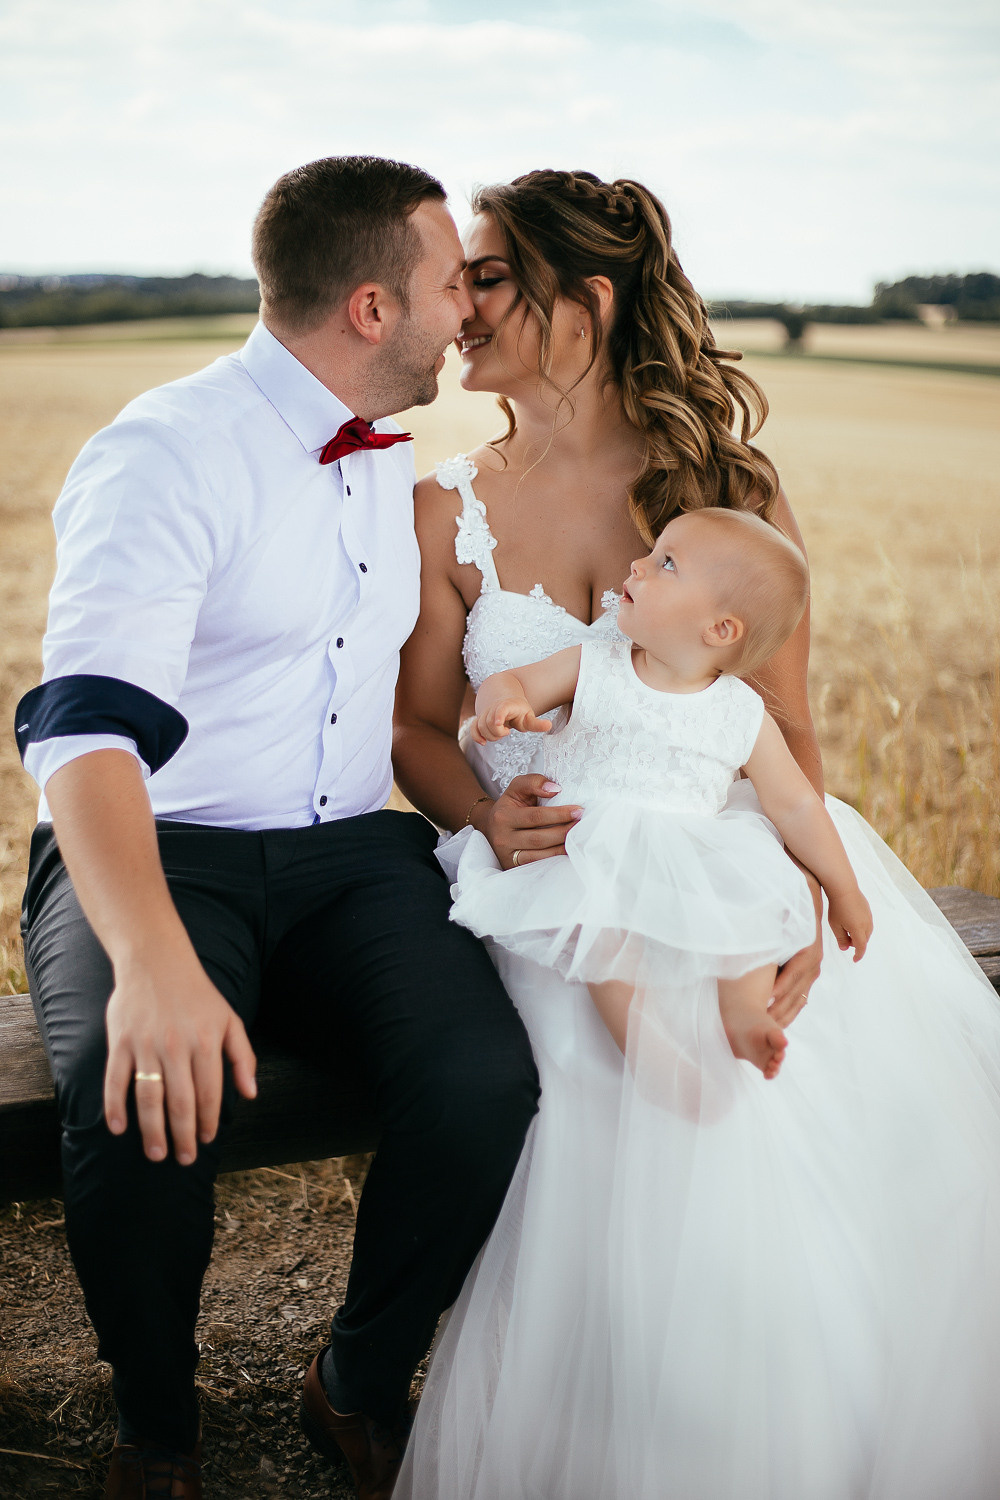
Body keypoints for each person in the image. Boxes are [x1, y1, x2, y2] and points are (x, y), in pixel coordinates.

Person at [391, 170, 1000, 1498]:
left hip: (725, 858)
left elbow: (782, 742)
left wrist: (790, 913)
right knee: (618, 1085)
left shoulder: (723, 489)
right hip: (545, 878)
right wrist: (487, 810)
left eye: (489, 275)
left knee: (825, 1073)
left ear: (585, 304)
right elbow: (420, 735)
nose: (459, 303)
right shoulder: (447, 505)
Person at [14, 155, 539, 1500]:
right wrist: (150, 961)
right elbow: (81, 734)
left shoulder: (391, 463)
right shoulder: (165, 452)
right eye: (445, 285)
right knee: (141, 1103)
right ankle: (156, 1427)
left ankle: (353, 1377)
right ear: (371, 309)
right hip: (157, 847)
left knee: (486, 1081)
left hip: (348, 855)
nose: (463, 315)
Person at [458, 507, 874, 1082]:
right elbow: (518, 682)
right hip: (587, 853)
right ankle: (653, 1058)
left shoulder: (740, 712)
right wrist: (504, 703)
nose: (638, 564)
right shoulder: (597, 666)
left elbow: (797, 805)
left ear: (720, 629)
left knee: (745, 914)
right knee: (602, 934)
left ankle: (748, 1014)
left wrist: (842, 887)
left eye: (666, 564)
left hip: (689, 859)